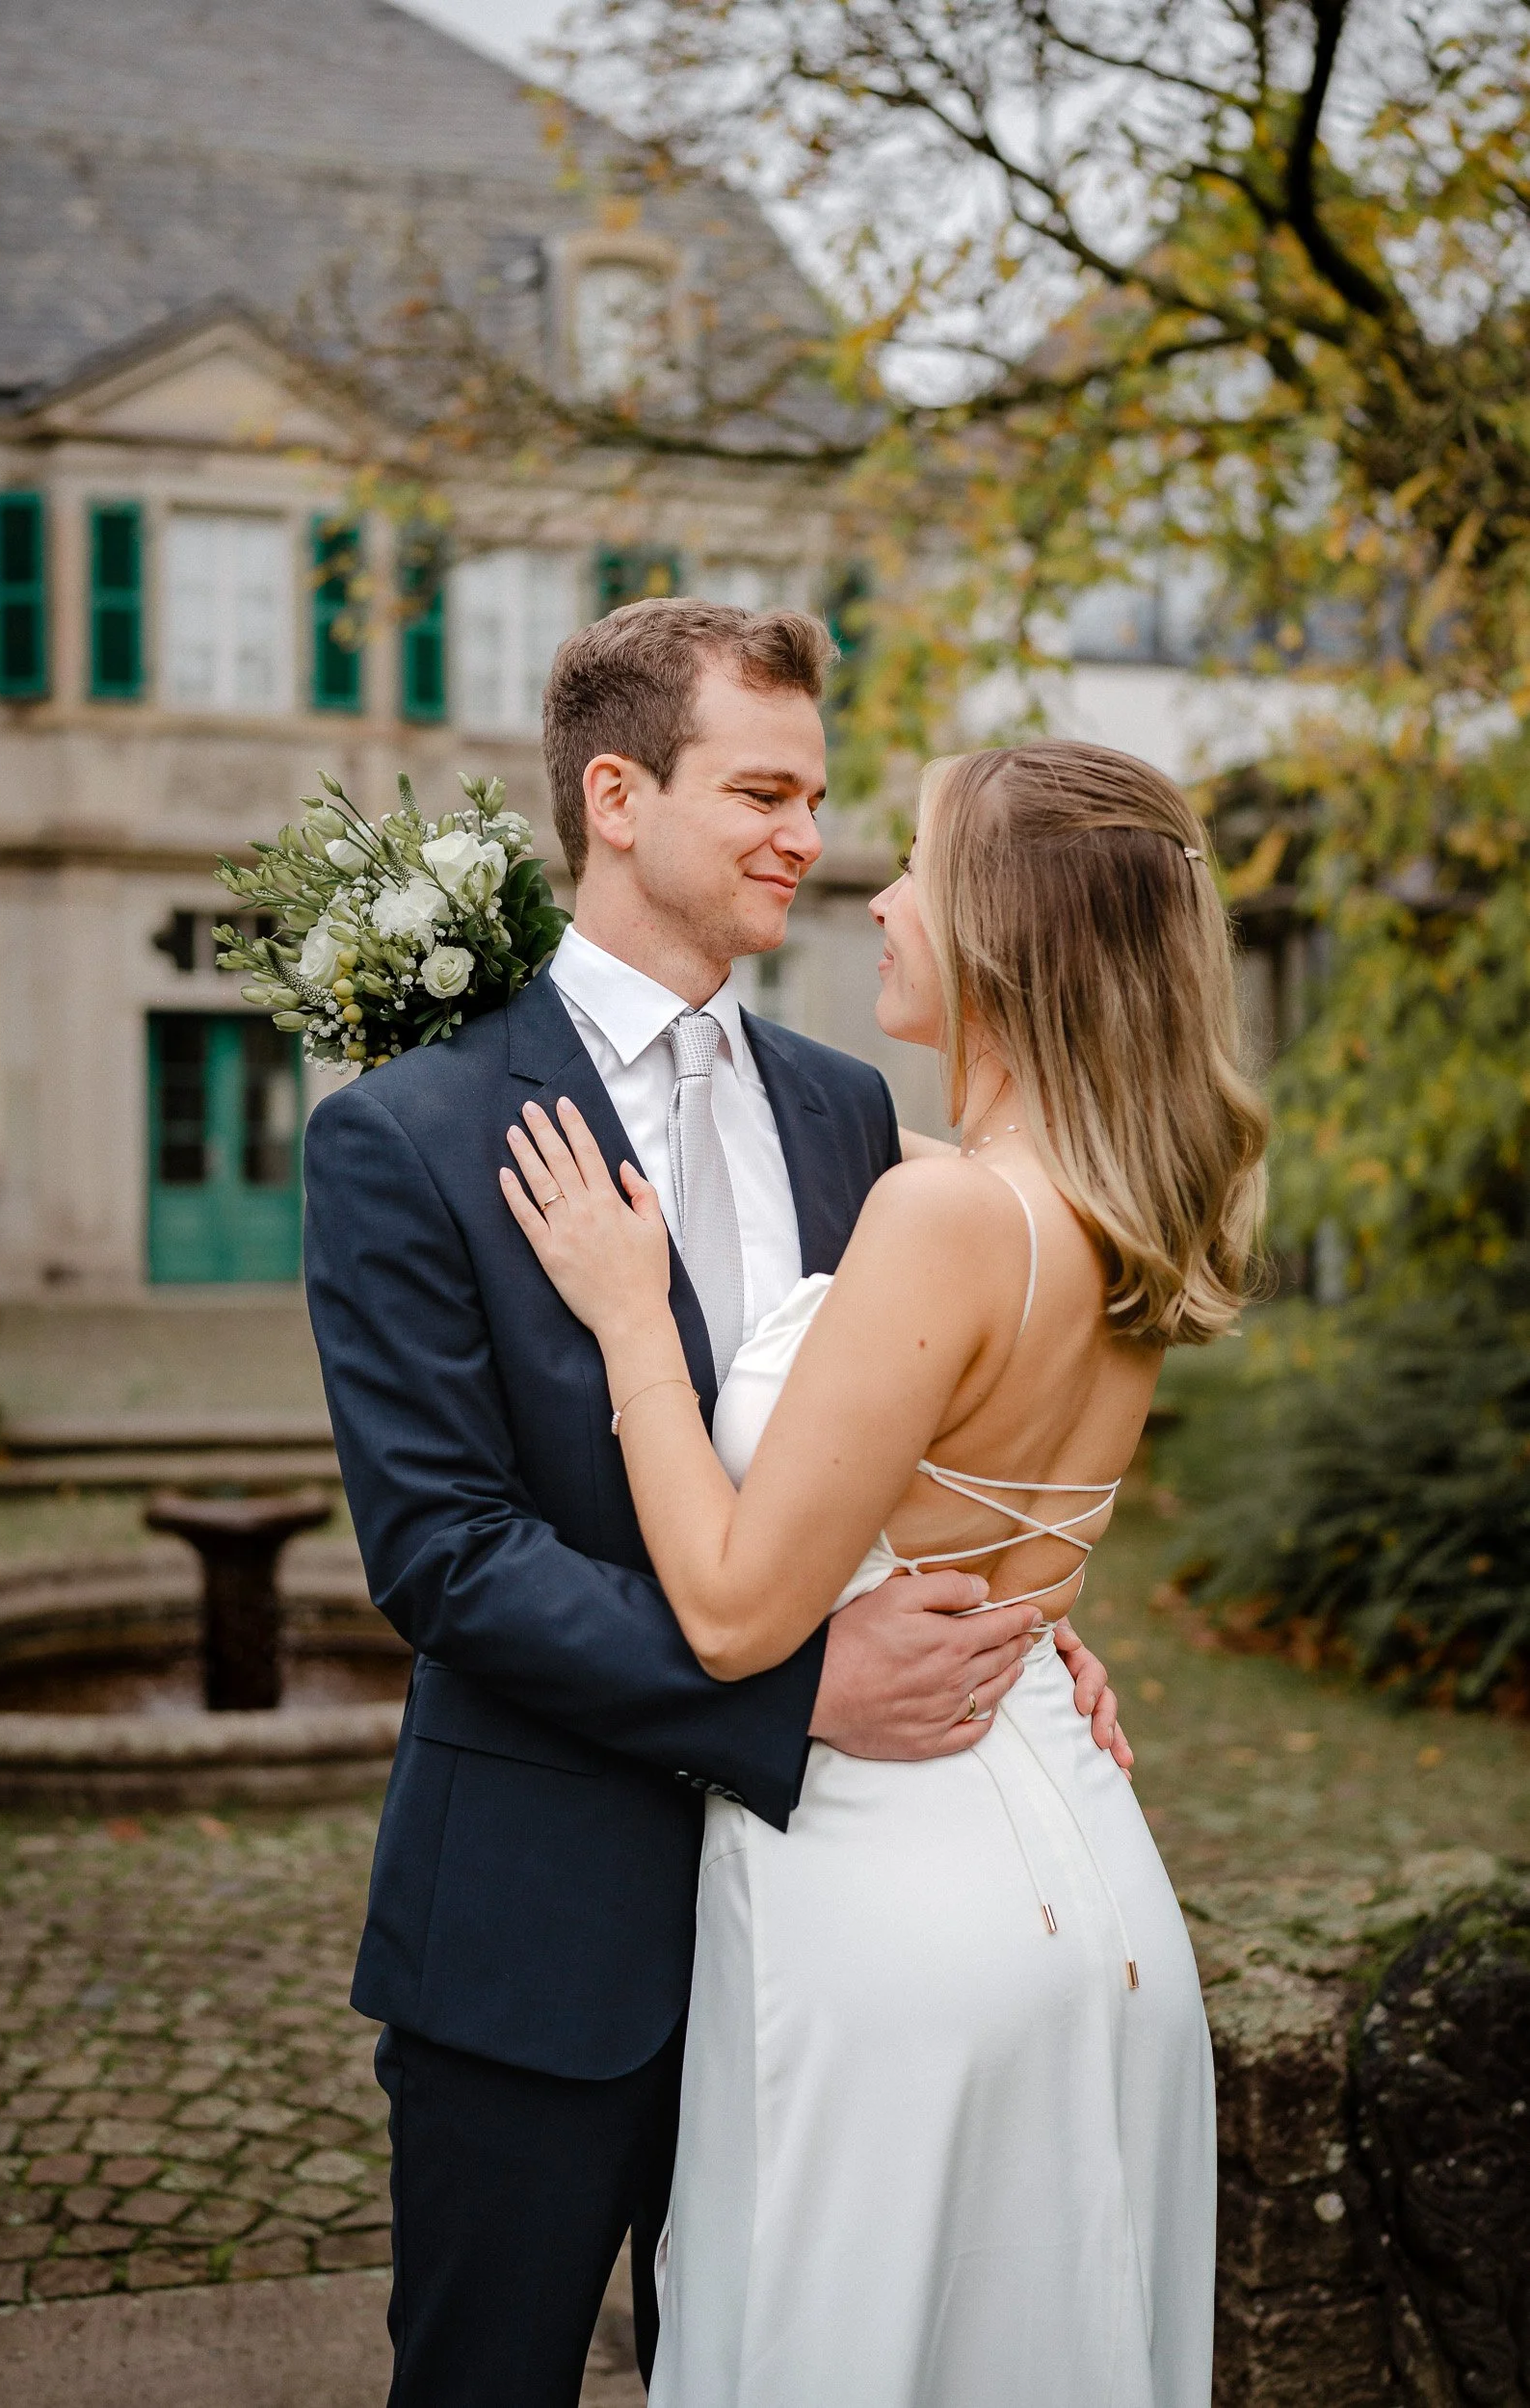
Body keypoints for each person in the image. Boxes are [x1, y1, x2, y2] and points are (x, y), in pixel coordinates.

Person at [303, 602, 1127, 2407]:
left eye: (818, 795)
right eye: (759, 788)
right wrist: (790, 1692)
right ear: (614, 793)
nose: (802, 836)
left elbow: (908, 1448)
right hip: (536, 1937)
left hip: (835, 1942)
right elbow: (441, 1556)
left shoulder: (853, 1117)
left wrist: (1024, 1617)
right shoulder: (409, 1133)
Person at [500, 733, 1269, 2407]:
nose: (877, 892)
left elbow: (726, 1609)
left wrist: (634, 1315)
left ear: (1003, 928)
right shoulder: (1106, 1205)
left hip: (884, 1892)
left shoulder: (948, 1222)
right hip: (1080, 1859)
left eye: (916, 864)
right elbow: (989, 1511)